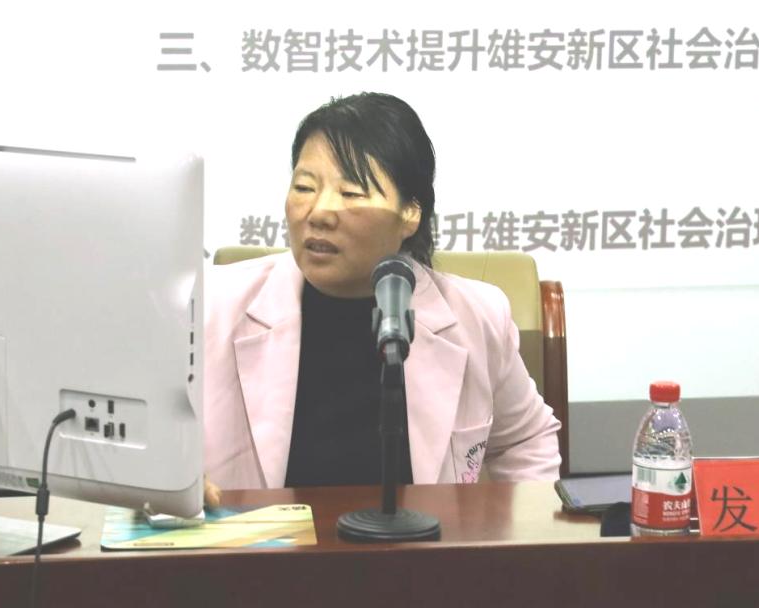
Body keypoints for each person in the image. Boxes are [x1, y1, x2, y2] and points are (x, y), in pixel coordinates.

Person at [201, 92, 560, 503]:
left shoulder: (475, 316)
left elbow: (526, 440)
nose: (319, 212)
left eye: (352, 193)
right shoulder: (210, 307)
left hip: (423, 542)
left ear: (410, 213)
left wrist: (518, 529)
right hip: (261, 542)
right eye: (304, 187)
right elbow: (150, 434)